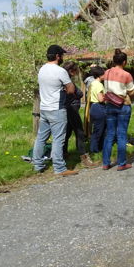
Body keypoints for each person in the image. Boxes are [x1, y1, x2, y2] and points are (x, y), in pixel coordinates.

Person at [31, 45, 78, 176]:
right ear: (57, 56)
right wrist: (65, 87)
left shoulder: (41, 69)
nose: (62, 57)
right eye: (62, 55)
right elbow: (71, 89)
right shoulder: (60, 71)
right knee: (58, 139)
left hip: (44, 108)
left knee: (41, 138)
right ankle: (60, 168)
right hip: (57, 109)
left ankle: (37, 165)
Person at [102, 49, 134, 171]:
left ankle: (106, 163)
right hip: (122, 105)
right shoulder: (126, 75)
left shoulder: (106, 72)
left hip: (110, 104)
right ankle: (121, 163)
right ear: (124, 62)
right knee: (122, 134)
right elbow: (132, 90)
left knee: (110, 134)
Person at [61, 61, 96, 168]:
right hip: (71, 108)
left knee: (67, 132)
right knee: (79, 133)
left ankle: (64, 153)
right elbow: (79, 93)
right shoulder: (66, 81)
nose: (77, 72)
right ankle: (84, 158)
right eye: (76, 70)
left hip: (67, 108)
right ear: (71, 71)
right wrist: (78, 94)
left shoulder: (63, 79)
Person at [87, 66, 107, 154]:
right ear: (100, 75)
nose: (105, 75)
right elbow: (101, 99)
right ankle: (94, 149)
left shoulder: (92, 83)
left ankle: (98, 148)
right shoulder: (99, 84)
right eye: (104, 74)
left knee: (97, 129)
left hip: (93, 107)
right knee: (99, 130)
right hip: (99, 107)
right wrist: (108, 97)